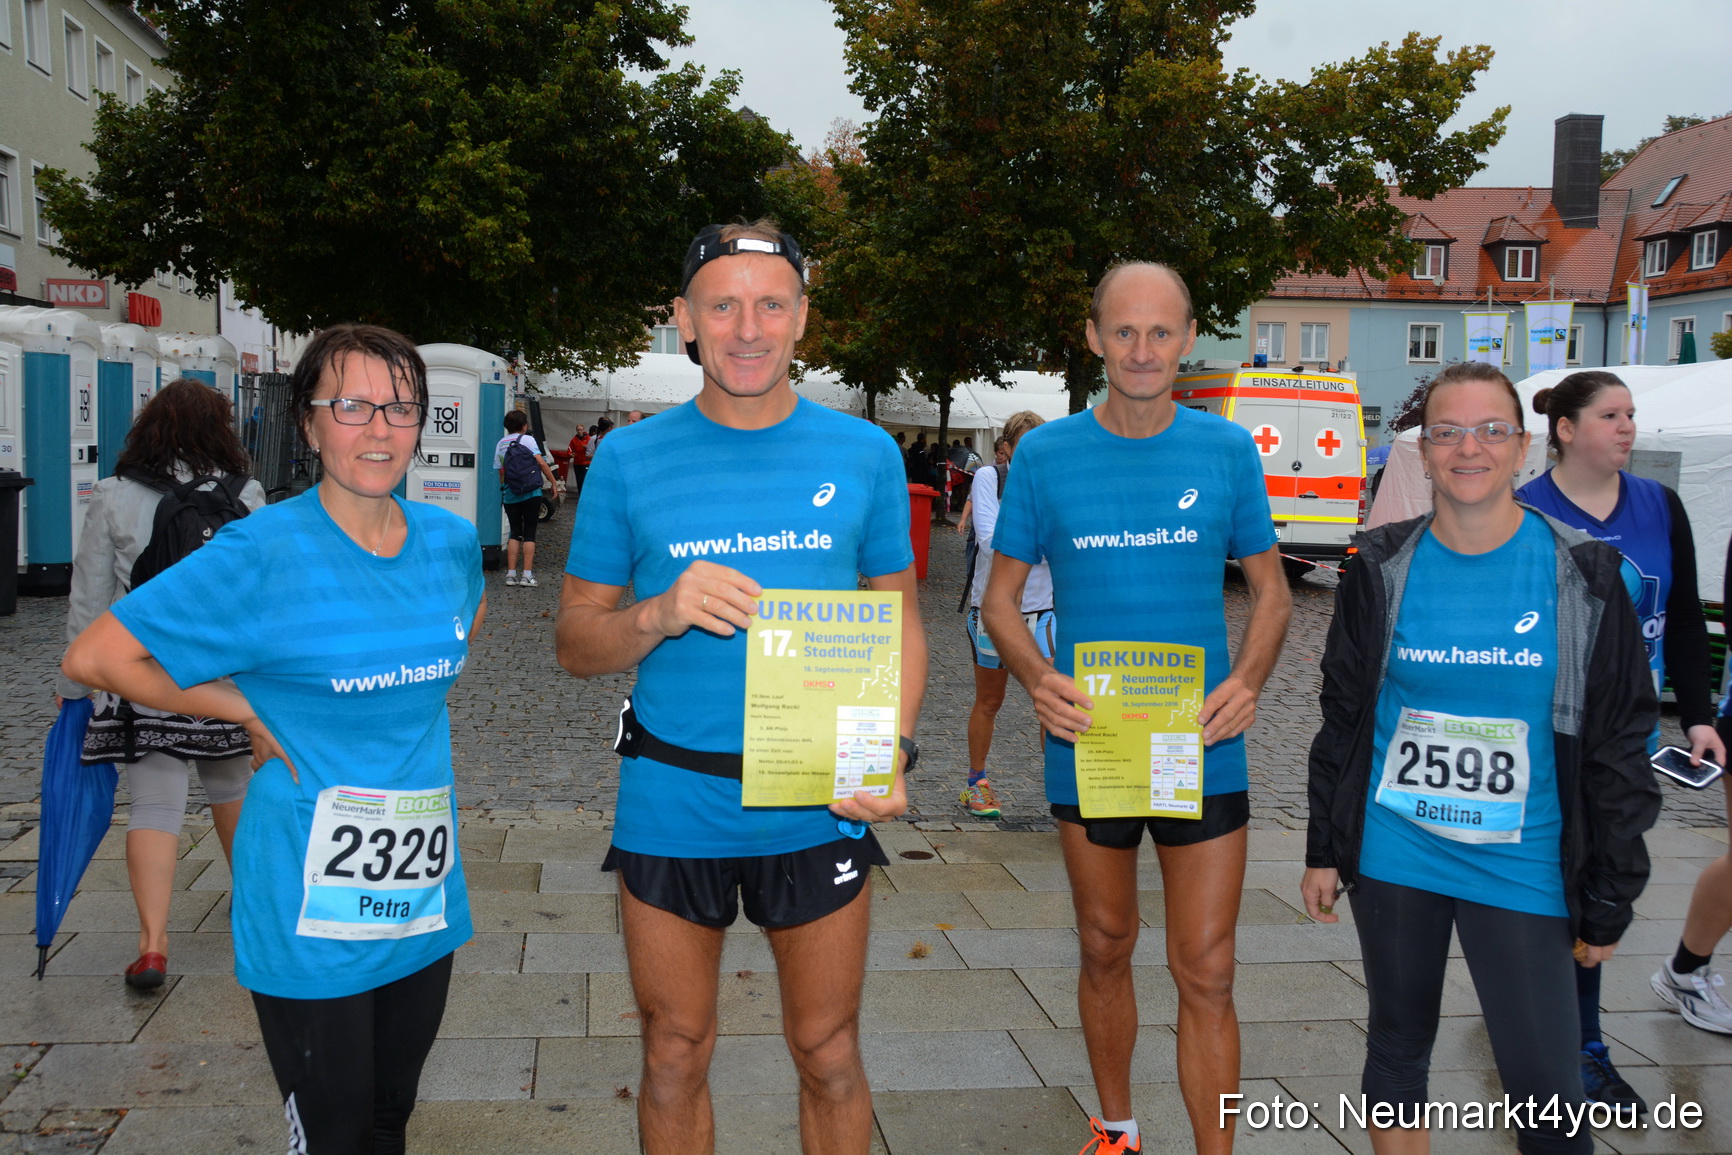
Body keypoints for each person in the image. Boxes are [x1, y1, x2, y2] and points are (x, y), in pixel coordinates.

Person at [64, 324, 485, 1155]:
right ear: (308, 423)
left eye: (401, 407)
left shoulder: (450, 541)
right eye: (351, 405)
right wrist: (244, 710)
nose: (378, 428)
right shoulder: (262, 548)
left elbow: (455, 635)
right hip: (306, 899)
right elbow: (99, 654)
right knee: (331, 1138)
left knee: (387, 1124)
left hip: (421, 896)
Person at [556, 219, 926, 1155]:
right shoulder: (630, 459)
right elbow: (575, 641)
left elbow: (904, 621)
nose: (747, 327)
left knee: (829, 1049)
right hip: (674, 797)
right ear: (684, 318)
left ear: (803, 318)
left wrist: (895, 744)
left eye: (770, 304)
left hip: (817, 800)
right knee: (674, 1050)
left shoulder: (865, 455)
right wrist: (657, 612)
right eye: (723, 304)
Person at [1304, 361, 1660, 1155]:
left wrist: (1611, 891)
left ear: (1524, 445)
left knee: (1547, 1093)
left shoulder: (1584, 573)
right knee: (1396, 1050)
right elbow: (1344, 716)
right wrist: (1325, 846)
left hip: (1524, 862)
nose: (1470, 447)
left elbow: (1618, 745)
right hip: (1399, 848)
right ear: (1424, 450)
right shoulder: (1382, 566)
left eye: (1491, 430)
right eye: (1448, 431)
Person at [983, 262, 1292, 1155]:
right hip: (1094, 743)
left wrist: (1248, 681)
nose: (1143, 349)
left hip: (1202, 742)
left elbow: (1272, 595)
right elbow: (1000, 600)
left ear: (1190, 338)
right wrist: (1037, 676)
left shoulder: (1226, 449)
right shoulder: (1046, 455)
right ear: (1093, 337)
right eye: (1125, 331)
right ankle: (1117, 1127)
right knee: (1106, 943)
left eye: (1162, 332)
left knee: (1208, 968)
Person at [1516, 371, 1730, 1097]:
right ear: (1567, 430)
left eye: (1631, 414)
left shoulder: (1659, 504)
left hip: (1626, 736)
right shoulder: (1525, 511)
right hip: (1550, 731)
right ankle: (1581, 1044)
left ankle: (1551, 1018)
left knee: (1602, 882)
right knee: (1563, 884)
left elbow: (1685, 620)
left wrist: (1698, 714)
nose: (1628, 427)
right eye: (1611, 415)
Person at [57, 378, 263, 990]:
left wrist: (75, 686)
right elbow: (260, 596)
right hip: (222, 675)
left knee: (153, 804)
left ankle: (151, 945)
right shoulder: (246, 494)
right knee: (234, 790)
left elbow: (90, 599)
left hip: (142, 674)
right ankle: (254, 910)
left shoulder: (114, 494)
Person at [958, 410, 1054, 820]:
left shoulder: (1056, 483)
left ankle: (1063, 791)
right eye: (1024, 446)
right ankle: (976, 783)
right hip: (994, 610)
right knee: (990, 700)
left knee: (1052, 701)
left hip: (1043, 609)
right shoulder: (989, 479)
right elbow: (990, 538)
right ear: (1008, 448)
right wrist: (1045, 544)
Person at [494, 409, 559, 588]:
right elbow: (541, 462)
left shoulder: (501, 443)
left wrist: (507, 487)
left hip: (510, 493)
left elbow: (500, 470)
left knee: (515, 533)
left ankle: (511, 574)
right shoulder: (528, 440)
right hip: (531, 493)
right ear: (524, 426)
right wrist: (553, 482)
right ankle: (527, 575)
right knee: (530, 533)